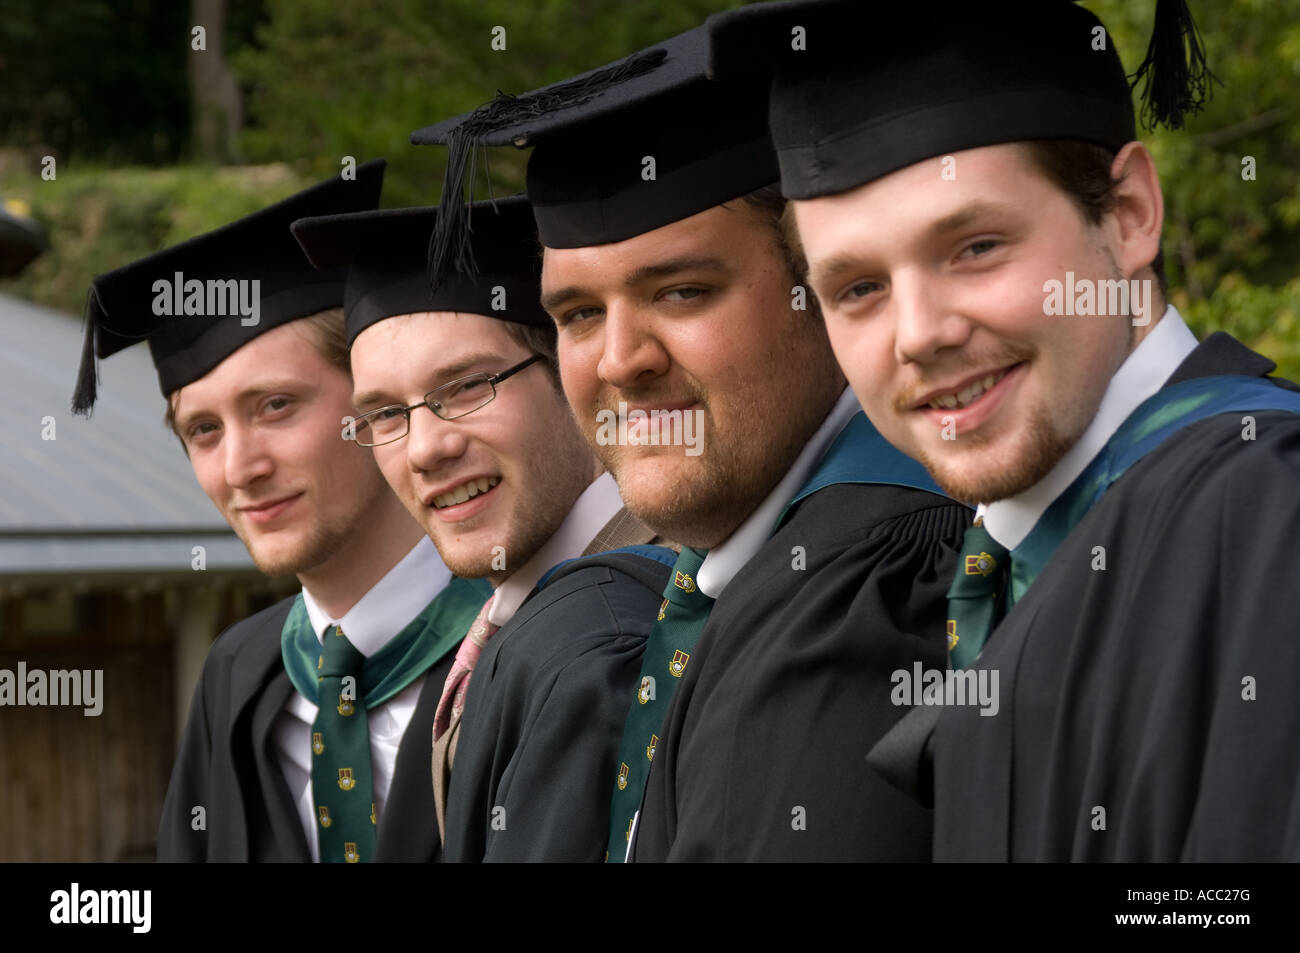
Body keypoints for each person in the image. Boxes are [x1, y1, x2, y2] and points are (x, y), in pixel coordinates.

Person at [708, 0, 1300, 860]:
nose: (919, 334)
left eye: (976, 247)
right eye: (859, 289)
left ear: (1130, 213)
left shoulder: (1262, 509)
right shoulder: (1015, 561)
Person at [413, 24, 970, 861]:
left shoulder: (875, 591)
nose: (620, 360)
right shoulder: (722, 581)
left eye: (681, 292)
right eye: (579, 314)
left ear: (820, 288)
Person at [75, 160, 492, 862]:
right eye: (203, 430)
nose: (241, 467)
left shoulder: (522, 642)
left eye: (275, 406)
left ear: (376, 401)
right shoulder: (237, 675)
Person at [292, 194, 674, 862]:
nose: (423, 449)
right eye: (385, 415)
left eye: (467, 387)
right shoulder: (522, 616)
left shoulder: (628, 632)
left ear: (572, 373)